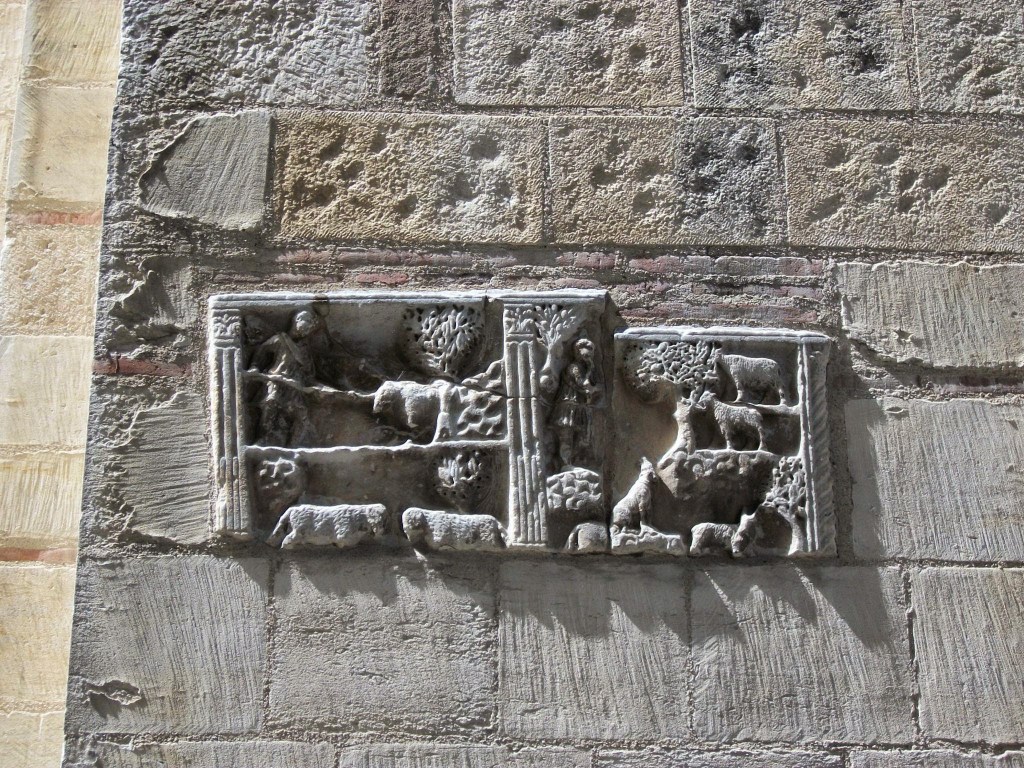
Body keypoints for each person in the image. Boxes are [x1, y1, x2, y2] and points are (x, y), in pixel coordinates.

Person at [248, 309, 319, 446]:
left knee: (301, 414)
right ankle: (262, 438)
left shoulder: (304, 350)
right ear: (297, 320)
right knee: (270, 405)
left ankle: (293, 446)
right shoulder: (280, 339)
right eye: (308, 322)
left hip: (296, 386)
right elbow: (262, 350)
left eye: (311, 327)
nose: (309, 328)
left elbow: (309, 372)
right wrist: (254, 367)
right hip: (277, 381)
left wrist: (312, 386)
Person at [550, 335, 600, 469]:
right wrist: (590, 368)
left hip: (578, 406)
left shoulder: (583, 369)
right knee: (566, 436)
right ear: (578, 353)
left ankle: (572, 462)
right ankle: (564, 464)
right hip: (568, 406)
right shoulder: (574, 368)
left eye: (591, 354)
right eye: (586, 355)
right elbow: (584, 385)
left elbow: (592, 386)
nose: (589, 357)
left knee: (583, 437)